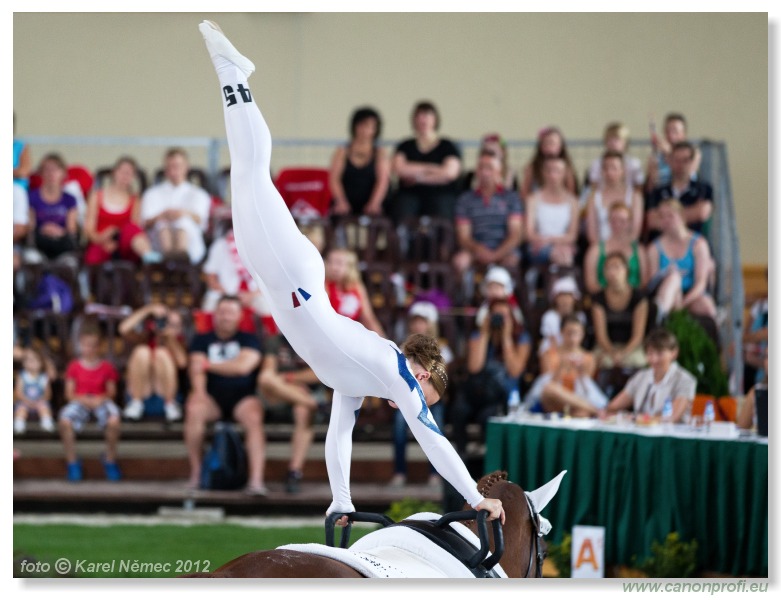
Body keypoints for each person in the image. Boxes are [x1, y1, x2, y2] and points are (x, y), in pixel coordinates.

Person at [199, 21, 503, 522]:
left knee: (244, 170)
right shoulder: (399, 371)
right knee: (252, 172)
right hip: (294, 278)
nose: (423, 404)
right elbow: (433, 438)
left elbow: (340, 433)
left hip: (280, 281)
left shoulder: (357, 381)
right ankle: (234, 73)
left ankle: (233, 77)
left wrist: (341, 498)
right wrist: (475, 496)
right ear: (424, 374)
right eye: (429, 395)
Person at [185, 294, 266, 494]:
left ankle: (256, 480)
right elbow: (196, 369)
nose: (225, 317)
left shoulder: (250, 339)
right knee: (194, 408)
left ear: (240, 316)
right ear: (214, 315)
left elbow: (243, 368)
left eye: (230, 312)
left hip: (243, 397)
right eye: (221, 312)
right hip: (211, 398)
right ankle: (196, 474)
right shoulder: (201, 339)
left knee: (254, 417)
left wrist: (208, 365)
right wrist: (200, 392)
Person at [451, 296, 531, 454]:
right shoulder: (477, 335)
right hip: (476, 393)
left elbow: (514, 371)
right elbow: (474, 367)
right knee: (458, 411)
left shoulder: (521, 338)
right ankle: (460, 459)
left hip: (501, 396)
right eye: (495, 315)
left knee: (487, 418)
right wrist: (485, 333)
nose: (499, 320)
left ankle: (488, 465)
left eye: (504, 316)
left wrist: (506, 336)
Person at [389, 301, 452, 488]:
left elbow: (441, 379)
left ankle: (436, 473)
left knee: (436, 428)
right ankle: (399, 471)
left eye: (422, 321)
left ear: (430, 324)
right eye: (415, 321)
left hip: (432, 400)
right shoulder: (403, 348)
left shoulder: (441, 348)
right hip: (407, 398)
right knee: (399, 426)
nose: (418, 326)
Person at [257, 329, 327, 493]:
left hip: (303, 393)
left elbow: (320, 374)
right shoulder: (274, 341)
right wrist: (289, 385)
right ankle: (315, 404)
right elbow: (268, 372)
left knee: (303, 411)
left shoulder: (318, 340)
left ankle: (294, 472)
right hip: (278, 396)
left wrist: (289, 379)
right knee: (266, 378)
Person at [58, 322, 122, 482]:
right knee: (65, 420)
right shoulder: (74, 367)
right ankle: (72, 461)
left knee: (114, 420)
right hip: (80, 401)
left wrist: (100, 399)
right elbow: (69, 394)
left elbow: (112, 392)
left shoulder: (107, 367)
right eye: (86, 345)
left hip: (101, 400)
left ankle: (110, 459)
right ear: (80, 345)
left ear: (99, 347)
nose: (89, 349)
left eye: (93, 346)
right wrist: (84, 399)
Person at [452, 149, 524, 290]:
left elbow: (515, 234)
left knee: (512, 261)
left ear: (499, 171)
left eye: (489, 168)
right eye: (481, 167)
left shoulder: (511, 198)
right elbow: (464, 237)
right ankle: (465, 303)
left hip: (504, 249)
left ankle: (510, 303)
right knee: (460, 261)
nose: (485, 172)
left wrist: (496, 254)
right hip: (476, 250)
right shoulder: (465, 200)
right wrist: (479, 250)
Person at [601, 328, 696, 423]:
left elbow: (672, 417)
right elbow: (612, 407)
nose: (654, 359)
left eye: (659, 354)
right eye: (650, 353)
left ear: (674, 353)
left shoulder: (685, 380)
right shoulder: (641, 377)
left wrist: (636, 418)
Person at [390, 100, 463, 222]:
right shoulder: (405, 146)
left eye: (427, 115)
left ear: (435, 119)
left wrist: (417, 178)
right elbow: (399, 169)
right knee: (402, 209)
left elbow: (449, 173)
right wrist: (434, 168)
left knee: (442, 209)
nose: (423, 120)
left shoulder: (447, 146)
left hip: (441, 194)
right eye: (419, 116)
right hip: (410, 194)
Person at [647, 198, 716, 322]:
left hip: (691, 295)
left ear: (682, 216)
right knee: (674, 278)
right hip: (666, 294)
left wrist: (684, 303)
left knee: (707, 307)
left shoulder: (698, 244)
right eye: (662, 217)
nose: (666, 220)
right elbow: (653, 282)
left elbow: (701, 283)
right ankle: (659, 320)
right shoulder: (655, 248)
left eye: (670, 216)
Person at [83, 156, 161, 266]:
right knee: (93, 257)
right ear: (114, 172)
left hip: (125, 245)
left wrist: (117, 240)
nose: (125, 176)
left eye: (129, 173)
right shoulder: (96, 196)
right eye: (122, 172)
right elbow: (88, 230)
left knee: (131, 228)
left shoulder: (136, 200)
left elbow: (136, 229)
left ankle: (149, 256)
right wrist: (101, 239)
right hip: (100, 242)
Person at [525, 315, 607, 417]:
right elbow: (548, 386)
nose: (572, 337)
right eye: (569, 333)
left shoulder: (588, 358)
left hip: (577, 400)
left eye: (576, 333)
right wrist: (561, 367)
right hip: (553, 400)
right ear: (561, 333)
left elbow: (587, 388)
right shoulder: (548, 354)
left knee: (582, 413)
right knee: (549, 389)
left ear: (582, 334)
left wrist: (581, 371)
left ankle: (590, 410)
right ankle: (595, 410)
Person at [140, 147, 211, 264]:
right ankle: (169, 262)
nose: (174, 171)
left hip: (190, 244)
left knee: (183, 223)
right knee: (162, 225)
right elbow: (145, 223)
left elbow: (202, 222)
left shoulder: (199, 194)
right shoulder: (151, 194)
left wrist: (183, 214)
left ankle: (181, 262)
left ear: (186, 167)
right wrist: (163, 215)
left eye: (178, 166)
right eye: (171, 166)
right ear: (165, 169)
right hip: (158, 245)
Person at [119, 303, 188, 422]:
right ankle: (136, 403)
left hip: (164, 397)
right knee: (142, 352)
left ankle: (170, 404)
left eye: (175, 325)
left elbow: (182, 363)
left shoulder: (179, 343)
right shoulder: (145, 338)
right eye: (167, 322)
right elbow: (123, 329)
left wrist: (170, 339)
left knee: (161, 353)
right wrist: (148, 310)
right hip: (142, 394)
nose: (169, 327)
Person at [328, 106, 390, 217]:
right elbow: (334, 179)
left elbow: (383, 181)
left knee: (380, 215)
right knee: (335, 214)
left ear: (376, 129)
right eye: (363, 125)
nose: (365, 130)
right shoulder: (342, 151)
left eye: (370, 127)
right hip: (346, 199)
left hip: (371, 199)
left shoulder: (380, 153)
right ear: (355, 126)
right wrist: (341, 201)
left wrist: (374, 203)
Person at [590, 252, 649, 369]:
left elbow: (638, 335)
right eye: (608, 268)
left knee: (639, 361)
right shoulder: (598, 299)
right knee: (602, 361)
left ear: (626, 270)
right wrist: (612, 352)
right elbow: (600, 335)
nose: (612, 272)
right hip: (606, 346)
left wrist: (623, 353)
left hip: (632, 346)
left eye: (617, 267)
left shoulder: (639, 298)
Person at [646, 141, 713, 240]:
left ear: (692, 162)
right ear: (669, 161)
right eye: (677, 160)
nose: (681, 165)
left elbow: (701, 213)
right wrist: (691, 213)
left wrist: (664, 217)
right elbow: (652, 221)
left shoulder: (704, 189)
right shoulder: (658, 191)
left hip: (693, 246)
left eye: (685, 160)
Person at [523, 156, 579, 267]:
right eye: (549, 171)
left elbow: (572, 235)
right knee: (562, 257)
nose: (553, 175)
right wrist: (551, 243)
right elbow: (529, 233)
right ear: (543, 173)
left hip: (563, 246)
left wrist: (551, 241)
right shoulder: (533, 199)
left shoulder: (573, 201)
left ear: (564, 173)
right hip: (539, 246)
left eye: (557, 171)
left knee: (564, 254)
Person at [583, 202, 649, 295]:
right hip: (603, 298)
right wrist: (612, 293)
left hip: (633, 298)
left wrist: (625, 293)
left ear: (630, 222)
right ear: (608, 222)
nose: (617, 224)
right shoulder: (595, 249)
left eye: (622, 221)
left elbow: (644, 282)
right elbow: (591, 284)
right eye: (614, 220)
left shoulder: (639, 250)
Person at [584, 150, 644, 244]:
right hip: (601, 248)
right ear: (601, 171)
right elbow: (592, 234)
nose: (609, 172)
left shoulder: (635, 197)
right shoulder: (593, 197)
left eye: (614, 168)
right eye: (606, 168)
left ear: (623, 171)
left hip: (627, 248)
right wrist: (603, 250)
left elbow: (635, 232)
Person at [27, 153, 79, 260]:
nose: (51, 174)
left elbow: (72, 229)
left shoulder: (70, 199)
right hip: (39, 244)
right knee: (32, 259)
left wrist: (59, 231)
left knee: (69, 262)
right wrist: (43, 230)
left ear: (63, 173)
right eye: (47, 169)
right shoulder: (32, 197)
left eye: (55, 170)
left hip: (62, 245)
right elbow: (30, 228)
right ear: (41, 173)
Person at [324, 247, 386, 337]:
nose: (333, 267)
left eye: (339, 263)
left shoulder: (357, 287)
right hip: (330, 335)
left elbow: (368, 318)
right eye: (330, 262)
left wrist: (385, 341)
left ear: (350, 266)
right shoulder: (324, 285)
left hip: (351, 336)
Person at [644, 112, 701, 195]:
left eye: (675, 131)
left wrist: (669, 153)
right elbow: (650, 189)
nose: (671, 135)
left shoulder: (694, 153)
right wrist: (652, 172)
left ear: (684, 134)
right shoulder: (657, 157)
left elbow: (687, 173)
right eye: (667, 131)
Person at [520, 126, 578, 200]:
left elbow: (571, 194)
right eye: (546, 143)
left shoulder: (567, 169)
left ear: (560, 146)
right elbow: (524, 193)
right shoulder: (533, 168)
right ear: (541, 147)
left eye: (552, 143)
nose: (549, 147)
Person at [584, 122, 644, 192]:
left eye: (617, 140)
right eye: (609, 140)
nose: (613, 143)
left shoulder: (634, 163)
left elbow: (639, 186)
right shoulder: (597, 163)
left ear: (625, 142)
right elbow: (593, 185)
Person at [537, 275, 587, 356]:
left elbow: (579, 339)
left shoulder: (580, 316)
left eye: (568, 296)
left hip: (573, 349)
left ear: (574, 298)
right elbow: (552, 341)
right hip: (554, 350)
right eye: (561, 296)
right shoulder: (549, 316)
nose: (565, 300)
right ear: (555, 298)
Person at [14, 347, 55, 434]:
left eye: (34, 360)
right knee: (21, 409)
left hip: (39, 401)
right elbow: (18, 392)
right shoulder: (22, 376)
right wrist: (27, 401)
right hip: (25, 401)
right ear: (24, 363)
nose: (31, 363)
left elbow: (48, 394)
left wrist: (40, 400)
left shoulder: (44, 377)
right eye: (28, 360)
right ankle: (19, 424)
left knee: (44, 408)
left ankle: (46, 423)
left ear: (41, 363)